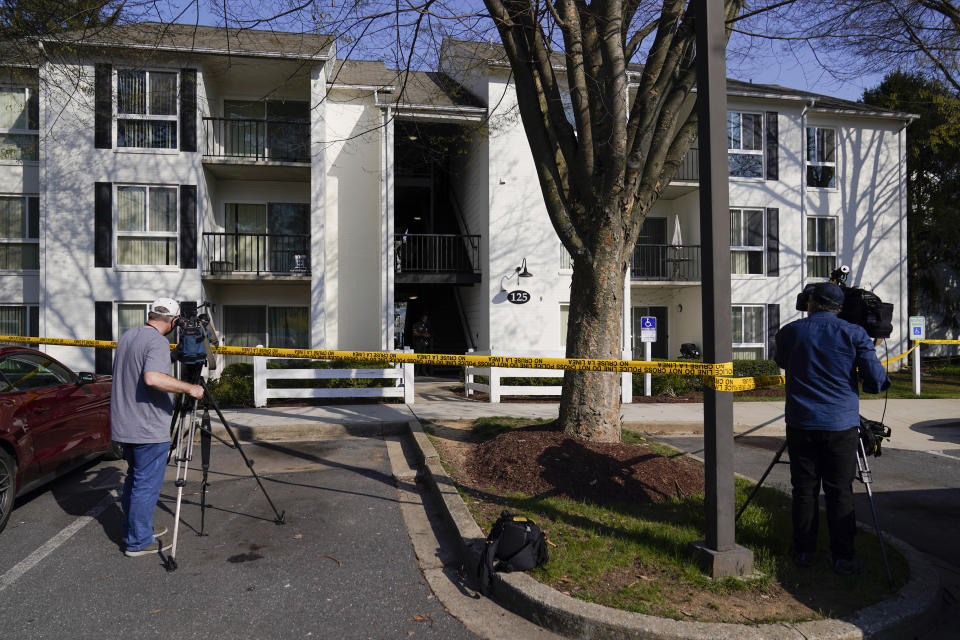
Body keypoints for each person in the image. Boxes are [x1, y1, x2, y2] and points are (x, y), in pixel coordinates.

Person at [774, 282, 890, 575]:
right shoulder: (855, 334)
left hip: (801, 423)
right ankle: (843, 557)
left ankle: (803, 552)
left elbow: (782, 361)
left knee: (804, 490)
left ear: (811, 303)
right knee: (839, 491)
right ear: (839, 308)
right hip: (840, 425)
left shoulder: (790, 331)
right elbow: (876, 382)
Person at [111, 297, 203, 557]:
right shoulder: (157, 341)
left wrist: (171, 356)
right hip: (147, 426)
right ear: (174, 322)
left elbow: (139, 369)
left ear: (150, 314)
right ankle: (138, 542)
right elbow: (152, 378)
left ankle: (137, 530)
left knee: (134, 478)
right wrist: (190, 388)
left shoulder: (129, 336)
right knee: (145, 484)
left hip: (124, 424)